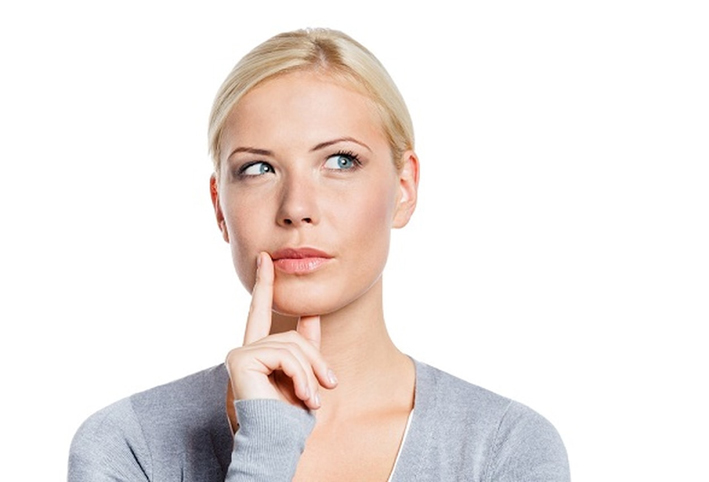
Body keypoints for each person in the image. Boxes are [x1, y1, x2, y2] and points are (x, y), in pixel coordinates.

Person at [68, 28, 570, 481]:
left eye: (340, 161)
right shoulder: (129, 448)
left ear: (404, 188)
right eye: (258, 169)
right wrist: (267, 446)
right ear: (220, 206)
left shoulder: (503, 449)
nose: (296, 208)